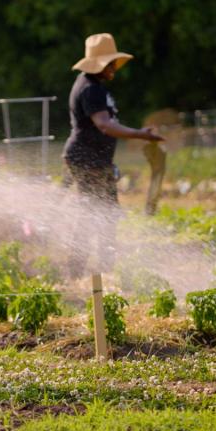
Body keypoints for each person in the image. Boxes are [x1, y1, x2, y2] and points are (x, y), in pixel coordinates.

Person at [62, 33, 164, 273]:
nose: (114, 68)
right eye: (109, 63)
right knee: (98, 215)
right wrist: (141, 134)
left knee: (100, 214)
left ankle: (92, 270)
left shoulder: (93, 85)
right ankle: (86, 272)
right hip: (87, 161)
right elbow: (105, 125)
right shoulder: (91, 89)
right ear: (98, 65)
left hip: (92, 160)